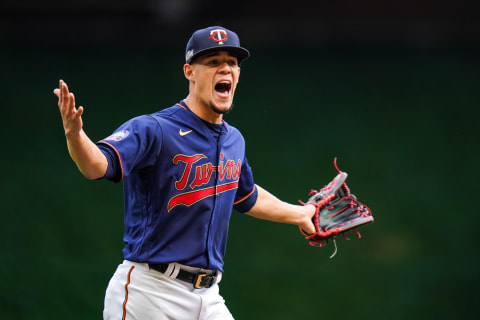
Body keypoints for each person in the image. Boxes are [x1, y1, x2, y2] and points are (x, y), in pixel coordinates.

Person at [54, 26, 316, 320]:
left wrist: (299, 213)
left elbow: (247, 195)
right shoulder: (155, 129)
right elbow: (96, 166)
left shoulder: (234, 140)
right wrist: (75, 135)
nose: (225, 69)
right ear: (190, 72)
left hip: (209, 297)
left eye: (231, 62)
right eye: (213, 62)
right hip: (151, 291)